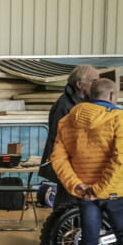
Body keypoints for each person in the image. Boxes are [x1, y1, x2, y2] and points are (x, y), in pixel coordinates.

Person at [50, 78, 123, 245]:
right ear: (111, 96)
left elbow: (58, 158)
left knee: (89, 239)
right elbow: (121, 158)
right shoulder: (120, 118)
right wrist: (101, 188)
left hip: (85, 192)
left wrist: (76, 184)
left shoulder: (68, 120)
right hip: (116, 192)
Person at [40, 64, 99, 208]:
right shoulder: (65, 105)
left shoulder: (85, 102)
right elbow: (59, 138)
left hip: (80, 163)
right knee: (68, 203)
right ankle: (61, 229)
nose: (97, 84)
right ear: (79, 84)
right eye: (94, 80)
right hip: (69, 164)